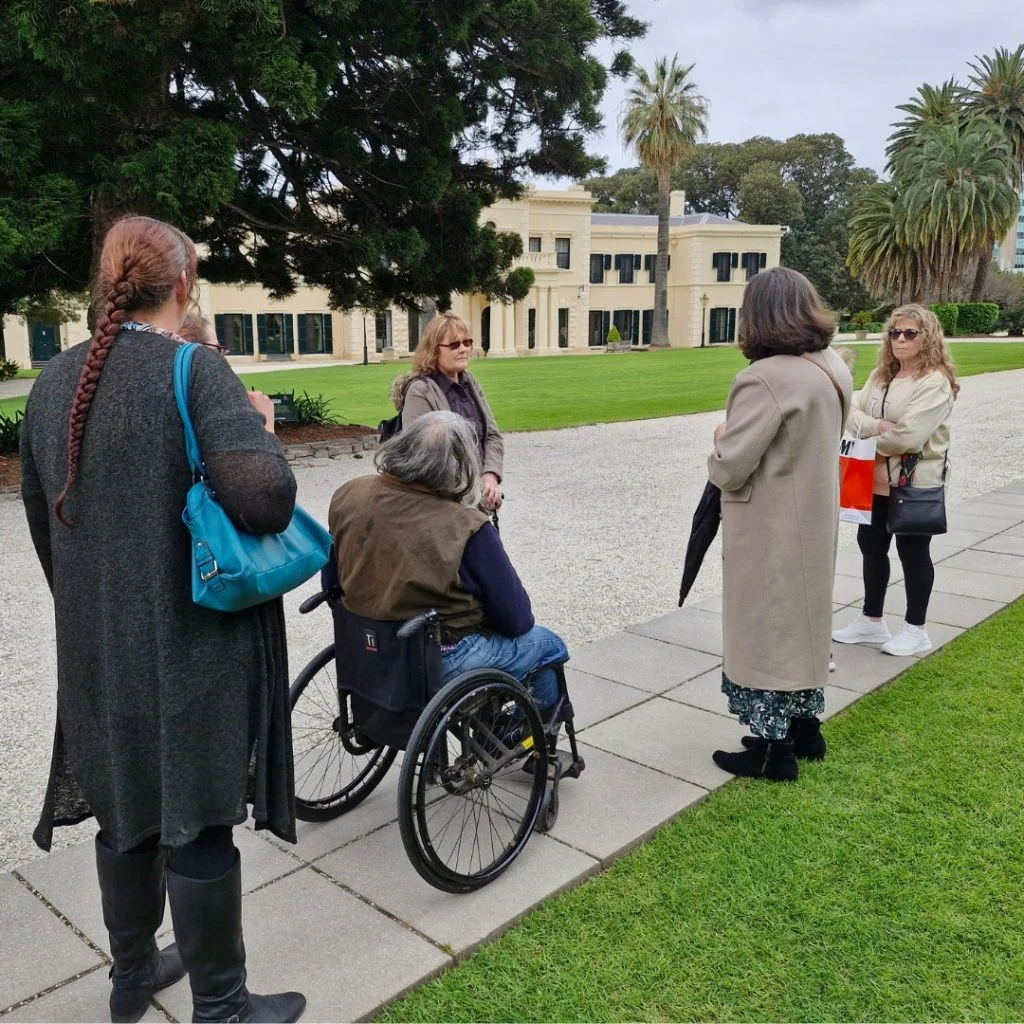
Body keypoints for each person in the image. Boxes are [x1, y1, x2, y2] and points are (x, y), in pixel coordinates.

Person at [19, 216, 305, 1023]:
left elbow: (47, 529)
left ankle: (131, 978)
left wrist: (97, 605)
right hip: (192, 646)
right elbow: (266, 498)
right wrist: (261, 428)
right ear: (182, 286)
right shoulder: (195, 370)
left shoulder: (50, 384)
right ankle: (222, 1010)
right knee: (198, 820)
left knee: (128, 811)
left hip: (98, 648)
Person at [707, 267, 852, 782]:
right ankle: (806, 726)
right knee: (804, 624)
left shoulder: (763, 378)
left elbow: (730, 464)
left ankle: (773, 750)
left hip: (769, 525)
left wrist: (722, 434)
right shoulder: (831, 367)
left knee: (767, 630)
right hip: (813, 517)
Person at [328, 410, 566, 723]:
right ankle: (528, 738)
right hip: (439, 657)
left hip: (366, 643)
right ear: (460, 466)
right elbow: (516, 618)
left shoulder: (350, 494)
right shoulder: (465, 525)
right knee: (548, 645)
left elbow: (332, 580)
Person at [832, 304, 957, 657]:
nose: (900, 339)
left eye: (910, 333)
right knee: (871, 548)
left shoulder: (934, 383)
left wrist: (868, 439)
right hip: (871, 480)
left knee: (913, 553)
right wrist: (877, 429)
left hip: (912, 482)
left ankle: (916, 629)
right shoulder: (881, 376)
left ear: (927, 338)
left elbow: (908, 438)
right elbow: (851, 415)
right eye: (894, 333)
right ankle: (872, 621)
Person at [389, 312, 504, 514]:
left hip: (478, 504)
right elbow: (424, 457)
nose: (463, 349)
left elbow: (492, 436)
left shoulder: (471, 383)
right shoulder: (420, 391)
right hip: (442, 508)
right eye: (454, 345)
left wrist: (490, 476)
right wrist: (475, 491)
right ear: (434, 350)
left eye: (467, 343)